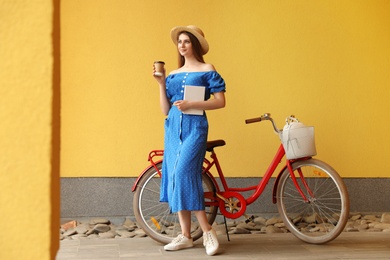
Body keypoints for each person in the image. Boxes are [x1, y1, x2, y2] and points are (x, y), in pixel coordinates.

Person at [152, 25, 226, 256]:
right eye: (179, 42)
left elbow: (220, 101)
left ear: (194, 44)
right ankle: (185, 236)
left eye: (186, 41)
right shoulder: (172, 74)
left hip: (195, 127)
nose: (182, 45)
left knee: (185, 173)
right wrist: (161, 83)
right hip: (173, 127)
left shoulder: (207, 69)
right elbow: (166, 109)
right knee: (174, 175)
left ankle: (207, 232)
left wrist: (192, 104)